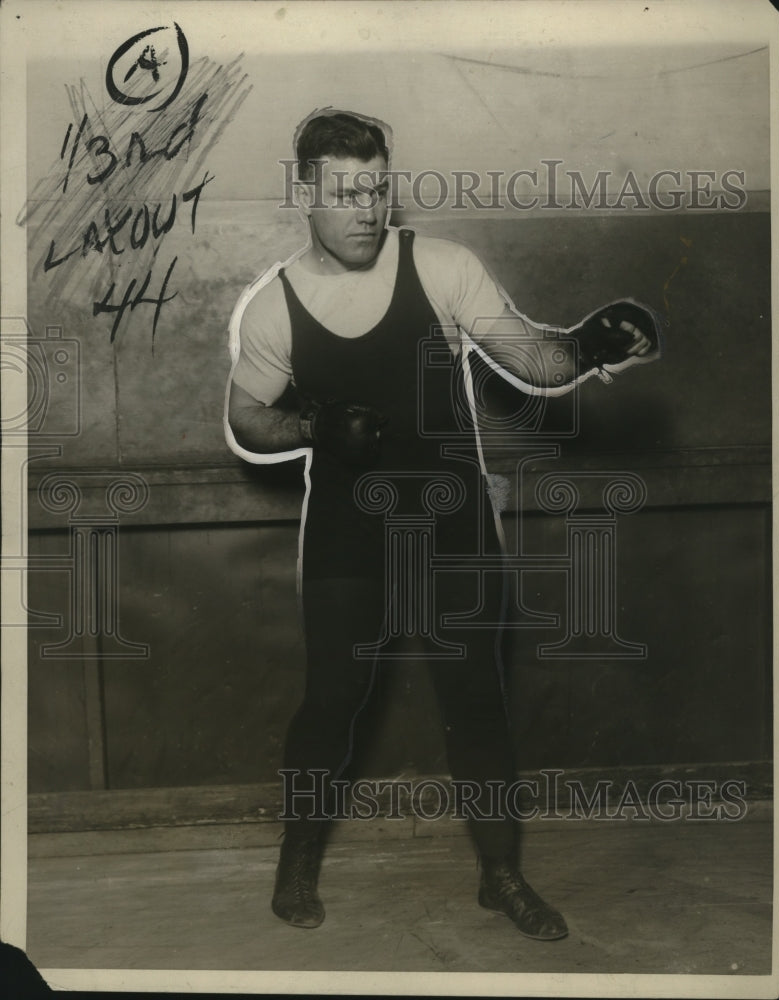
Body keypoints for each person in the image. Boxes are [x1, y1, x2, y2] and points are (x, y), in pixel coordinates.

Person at [224, 109, 659, 942]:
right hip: (351, 535)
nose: (364, 209)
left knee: (477, 702)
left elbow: (534, 359)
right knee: (330, 703)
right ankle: (298, 859)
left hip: (453, 523)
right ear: (302, 192)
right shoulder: (273, 308)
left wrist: (595, 343)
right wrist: (313, 426)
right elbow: (248, 420)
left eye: (376, 189)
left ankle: (500, 874)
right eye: (344, 192)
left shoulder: (443, 266)